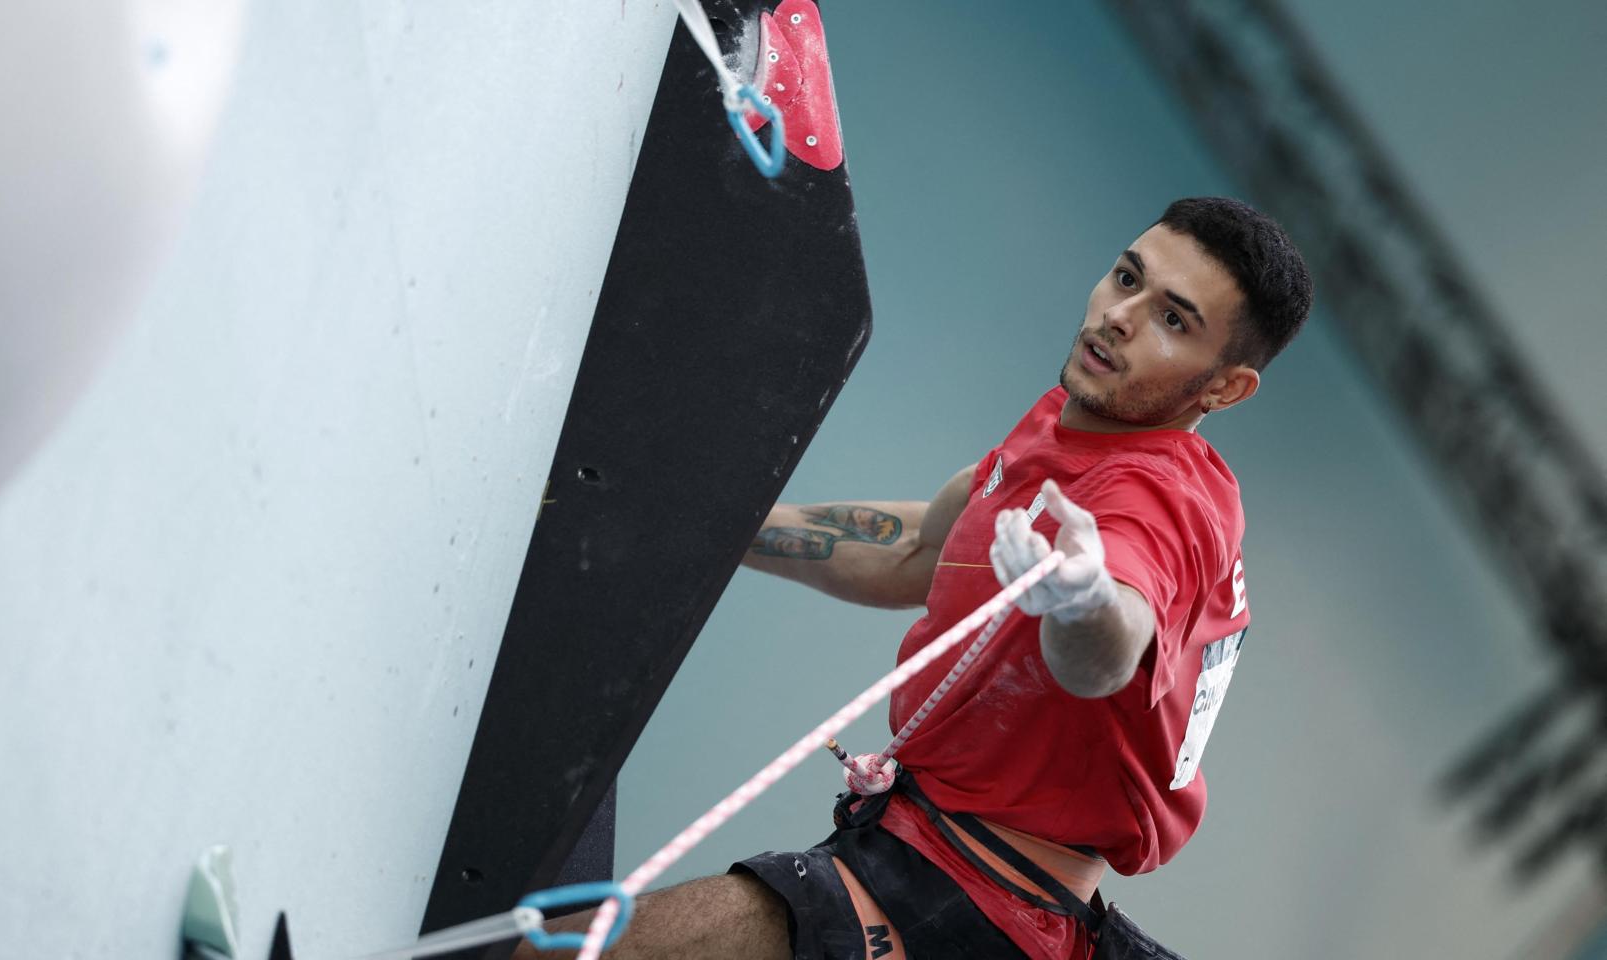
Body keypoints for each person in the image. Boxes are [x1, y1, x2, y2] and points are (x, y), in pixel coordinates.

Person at [513, 197, 1312, 959]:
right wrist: (682, 525)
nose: (1119, 316)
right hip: (921, 853)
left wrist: (1083, 599)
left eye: (1173, 320)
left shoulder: (1159, 502)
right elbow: (916, 555)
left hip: (983, 908)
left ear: (1224, 387)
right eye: (1128, 278)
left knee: (559, 954)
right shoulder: (1073, 428)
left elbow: (1108, 650)